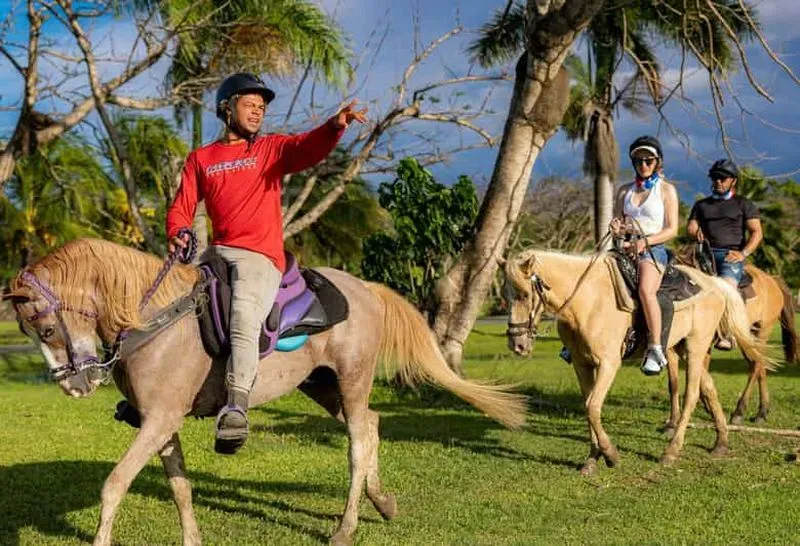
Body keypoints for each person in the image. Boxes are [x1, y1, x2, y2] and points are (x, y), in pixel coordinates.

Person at [166, 72, 367, 453]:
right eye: (250, 105)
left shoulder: (270, 149)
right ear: (227, 109)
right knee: (172, 303)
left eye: (261, 107)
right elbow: (182, 205)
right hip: (216, 253)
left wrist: (334, 126)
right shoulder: (201, 159)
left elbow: (306, 148)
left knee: (243, 315)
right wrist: (178, 231)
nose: (258, 112)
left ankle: (236, 404)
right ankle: (154, 390)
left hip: (259, 258)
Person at [611, 135, 679, 375]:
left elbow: (672, 229)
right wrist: (617, 228)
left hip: (653, 248)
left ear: (657, 162)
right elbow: (618, 222)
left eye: (648, 160)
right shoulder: (624, 191)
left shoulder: (667, 190)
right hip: (625, 247)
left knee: (645, 290)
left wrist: (644, 242)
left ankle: (655, 348)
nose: (643, 165)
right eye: (638, 160)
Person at [687, 158, 762, 349]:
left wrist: (743, 253)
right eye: (715, 178)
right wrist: (696, 231)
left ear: (733, 180)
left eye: (723, 178)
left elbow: (756, 232)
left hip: (730, 256)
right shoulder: (701, 205)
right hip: (704, 255)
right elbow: (691, 226)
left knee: (727, 286)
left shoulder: (743, 203)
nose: (718, 181)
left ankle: (727, 332)